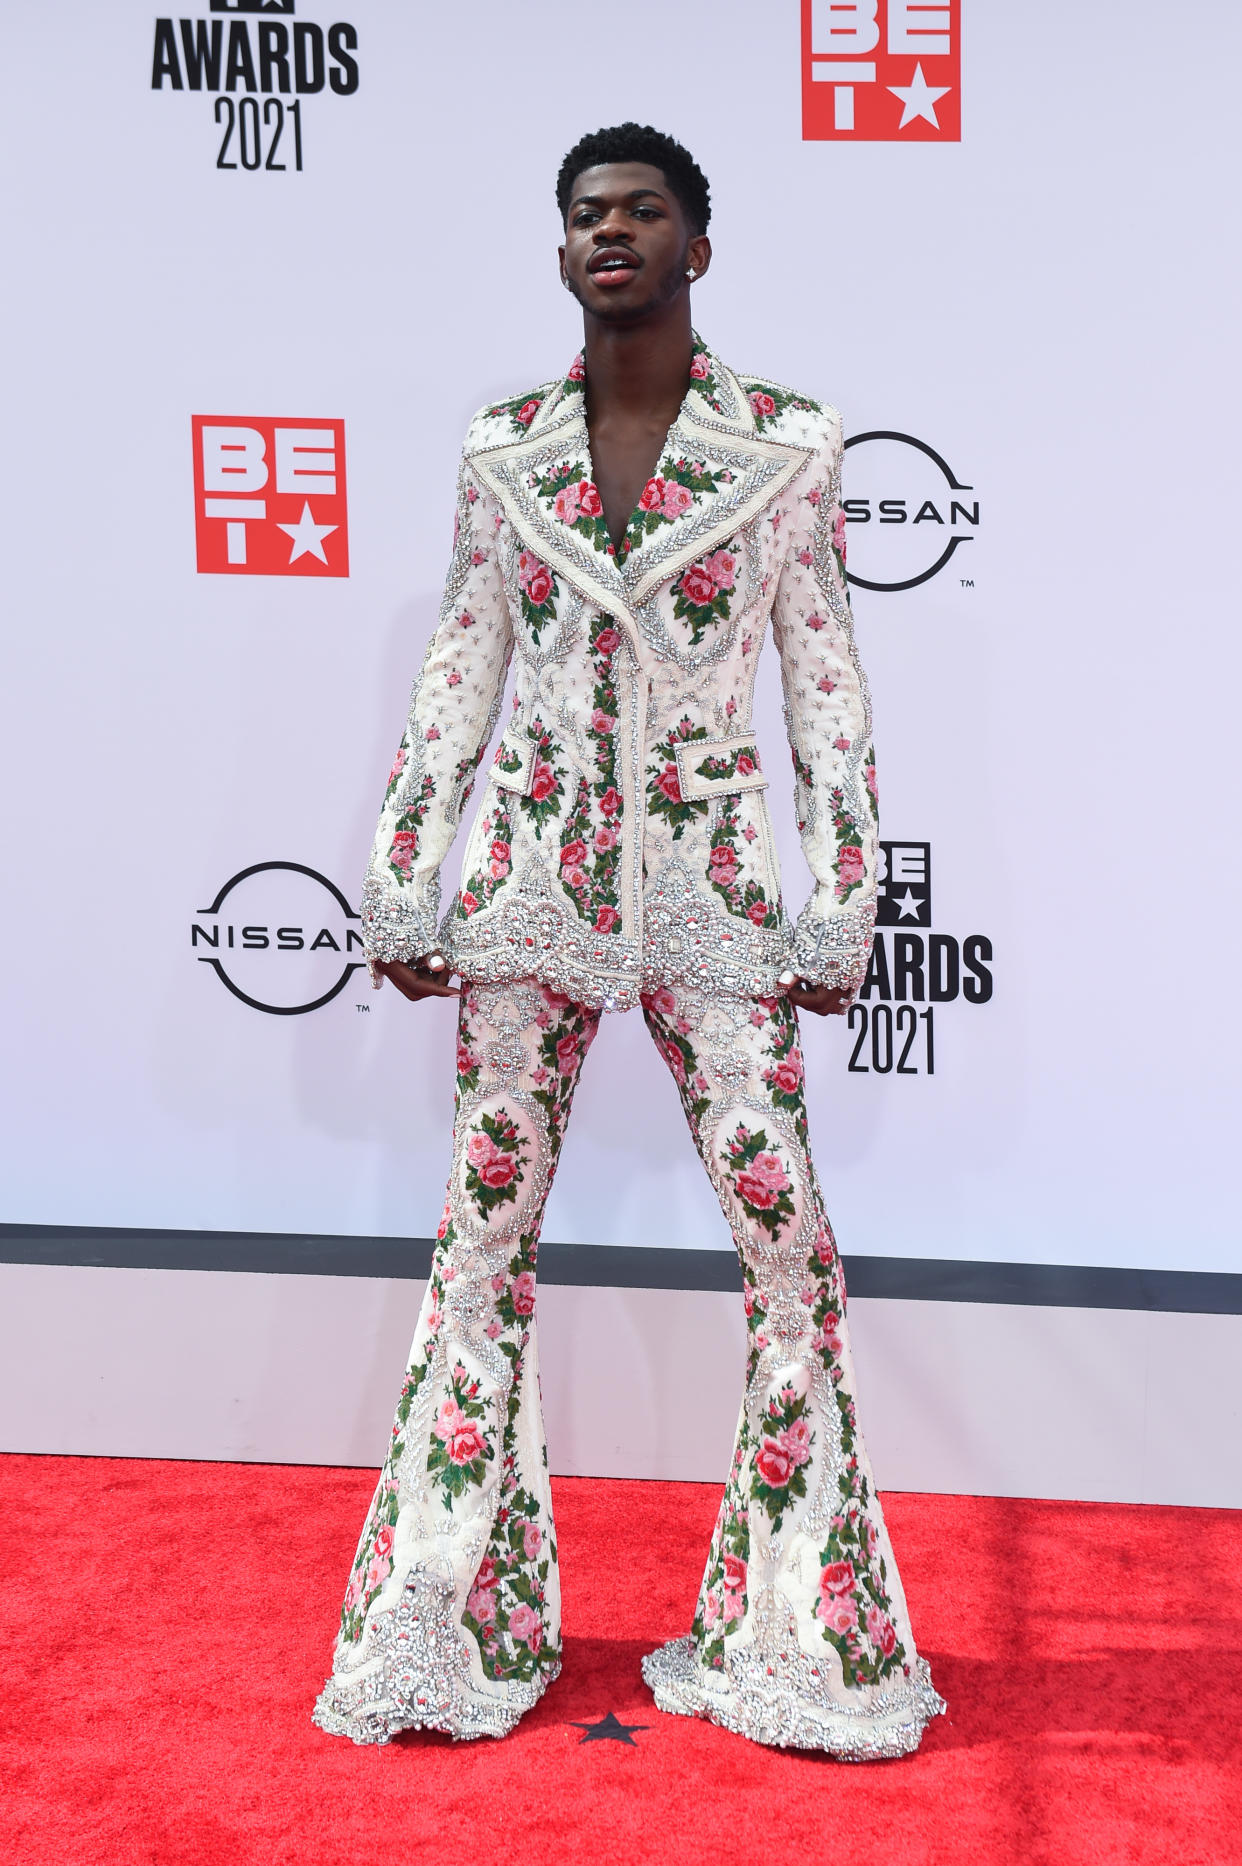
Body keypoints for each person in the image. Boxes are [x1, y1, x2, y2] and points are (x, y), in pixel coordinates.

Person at [313, 122, 944, 1759]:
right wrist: (401, 872)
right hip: (528, 892)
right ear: (560, 249)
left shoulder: (787, 447)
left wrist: (847, 888)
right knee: (476, 1252)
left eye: (642, 210)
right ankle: (445, 1624)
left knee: (790, 1257)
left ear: (697, 247)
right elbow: (459, 661)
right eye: (586, 213)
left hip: (723, 904)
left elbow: (826, 683)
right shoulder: (502, 445)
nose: (612, 232)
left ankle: (799, 1630)